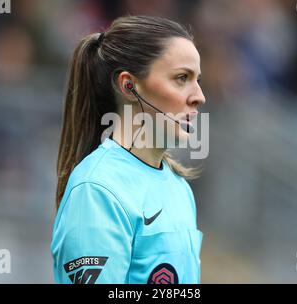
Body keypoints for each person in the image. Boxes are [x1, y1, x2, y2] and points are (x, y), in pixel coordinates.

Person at [51, 15, 206, 284]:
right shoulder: (96, 190)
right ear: (129, 86)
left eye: (197, 79)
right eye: (182, 78)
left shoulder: (179, 187)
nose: (199, 96)